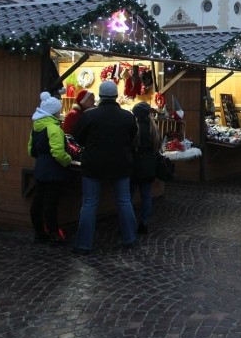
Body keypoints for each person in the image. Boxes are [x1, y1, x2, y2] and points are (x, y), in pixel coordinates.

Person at [72, 81, 139, 254]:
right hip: (121, 164)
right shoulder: (127, 116)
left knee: (89, 204)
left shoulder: (89, 115)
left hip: (93, 164)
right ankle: (130, 238)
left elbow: (77, 138)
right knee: (124, 201)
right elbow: (132, 138)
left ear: (100, 96)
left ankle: (83, 245)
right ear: (116, 95)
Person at [28, 92, 71, 244]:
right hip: (54, 171)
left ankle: (39, 232)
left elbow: (31, 150)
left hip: (40, 169)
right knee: (51, 204)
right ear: (54, 112)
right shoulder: (54, 128)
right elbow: (58, 153)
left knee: (38, 202)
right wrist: (68, 160)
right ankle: (53, 233)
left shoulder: (36, 127)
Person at [131, 101, 160, 235]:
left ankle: (128, 223)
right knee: (146, 196)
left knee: (128, 197)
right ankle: (144, 223)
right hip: (149, 165)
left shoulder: (133, 127)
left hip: (134, 165)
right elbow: (157, 147)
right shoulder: (153, 127)